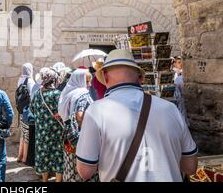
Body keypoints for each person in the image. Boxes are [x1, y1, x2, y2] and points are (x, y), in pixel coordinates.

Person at [76, 49, 198, 182]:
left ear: (105, 77)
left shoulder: (95, 111)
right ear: (140, 78)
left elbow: (85, 171)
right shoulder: (171, 109)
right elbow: (191, 167)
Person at [58, 69, 97, 182]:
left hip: (69, 136)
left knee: (71, 168)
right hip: (81, 138)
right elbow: (79, 115)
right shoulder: (82, 94)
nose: (89, 84)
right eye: (87, 81)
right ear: (80, 81)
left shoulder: (68, 92)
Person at [30, 67, 64, 182]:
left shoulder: (37, 94)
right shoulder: (57, 94)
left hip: (41, 133)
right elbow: (63, 112)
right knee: (58, 156)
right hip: (56, 133)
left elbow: (32, 110)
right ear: (53, 80)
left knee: (44, 155)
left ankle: (44, 180)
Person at [16, 63, 35, 165]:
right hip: (27, 110)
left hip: (21, 109)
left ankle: (19, 155)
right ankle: (24, 158)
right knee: (27, 134)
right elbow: (32, 96)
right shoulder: (30, 81)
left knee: (23, 133)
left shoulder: (20, 80)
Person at [172, 56, 189, 125]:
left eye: (181, 62)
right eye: (179, 62)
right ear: (174, 64)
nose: (181, 64)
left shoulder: (181, 75)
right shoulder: (175, 73)